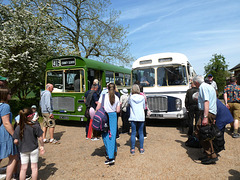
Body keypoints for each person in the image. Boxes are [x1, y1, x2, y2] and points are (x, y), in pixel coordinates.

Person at [13, 108, 45, 180]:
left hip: (23, 150)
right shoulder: (35, 126)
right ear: (30, 116)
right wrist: (42, 146)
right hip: (33, 149)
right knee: (34, 167)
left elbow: (15, 141)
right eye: (33, 114)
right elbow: (40, 138)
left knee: (23, 168)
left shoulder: (18, 127)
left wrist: (18, 142)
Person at [192, 75, 218, 165]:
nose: (194, 84)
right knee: (205, 133)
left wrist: (205, 117)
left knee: (202, 133)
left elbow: (206, 101)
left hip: (207, 113)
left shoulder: (203, 87)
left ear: (196, 83)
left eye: (194, 83)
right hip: (211, 112)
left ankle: (211, 155)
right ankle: (209, 154)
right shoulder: (209, 86)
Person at [96, 83, 120, 165]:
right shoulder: (116, 97)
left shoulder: (103, 96)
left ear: (107, 88)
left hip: (104, 116)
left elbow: (98, 107)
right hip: (113, 116)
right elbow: (118, 110)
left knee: (105, 135)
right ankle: (113, 150)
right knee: (112, 135)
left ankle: (110, 157)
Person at [0, 88, 18, 180]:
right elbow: (6, 123)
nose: (10, 95)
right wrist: (15, 135)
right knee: (13, 156)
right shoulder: (5, 106)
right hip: (4, 133)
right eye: (9, 93)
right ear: (5, 95)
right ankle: (8, 178)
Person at [129, 84, 145, 155]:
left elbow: (129, 104)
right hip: (141, 116)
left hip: (133, 116)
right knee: (141, 133)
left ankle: (132, 149)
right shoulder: (142, 97)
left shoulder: (131, 97)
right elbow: (144, 107)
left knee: (133, 133)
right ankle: (141, 148)